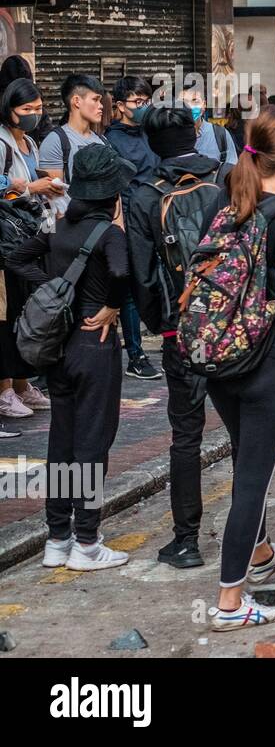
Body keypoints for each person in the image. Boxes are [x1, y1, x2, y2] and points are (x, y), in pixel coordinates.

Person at [198, 105, 275, 631]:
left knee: (248, 457)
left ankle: (262, 552)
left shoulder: (228, 202)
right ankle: (230, 599)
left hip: (219, 358)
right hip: (267, 361)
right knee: (253, 477)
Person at [13, 145, 133, 571]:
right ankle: (87, 541)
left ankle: (57, 538)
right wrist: (112, 307)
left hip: (58, 350)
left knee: (61, 443)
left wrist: (51, 288)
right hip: (94, 344)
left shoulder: (58, 228)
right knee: (93, 444)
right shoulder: (110, 234)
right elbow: (121, 274)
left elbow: (14, 257)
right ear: (112, 194)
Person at [126, 101, 232, 568]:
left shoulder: (145, 193)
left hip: (182, 330)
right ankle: (255, 536)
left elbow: (143, 274)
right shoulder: (230, 176)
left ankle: (186, 540)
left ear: (151, 144)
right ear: (195, 133)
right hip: (236, 325)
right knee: (245, 434)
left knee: (186, 436)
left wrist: (162, 325)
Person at [0, 81, 59, 437]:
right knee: (5, 315)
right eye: (26, 110)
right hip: (6, 239)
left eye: (38, 108)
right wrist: (26, 187)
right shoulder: (1, 142)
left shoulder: (31, 142)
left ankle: (22, 385)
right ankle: (6, 389)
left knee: (22, 309)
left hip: (30, 234)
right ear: (9, 109)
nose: (34, 115)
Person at [104, 77, 161, 382]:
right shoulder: (111, 140)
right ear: (121, 105)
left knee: (155, 283)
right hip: (128, 219)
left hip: (156, 219)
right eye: (137, 101)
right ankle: (136, 355)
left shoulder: (151, 135)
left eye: (146, 100)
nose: (142, 106)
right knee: (129, 290)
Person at [39, 74, 108, 216]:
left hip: (104, 225)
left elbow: (115, 192)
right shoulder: (56, 141)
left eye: (100, 101)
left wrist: (118, 229)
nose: (101, 106)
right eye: (95, 99)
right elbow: (54, 201)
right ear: (76, 101)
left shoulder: (103, 141)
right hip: (72, 228)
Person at [187, 89, 239, 166]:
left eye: (195, 101)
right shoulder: (169, 135)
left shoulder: (220, 134)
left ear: (204, 105)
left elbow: (231, 170)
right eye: (184, 103)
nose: (190, 107)